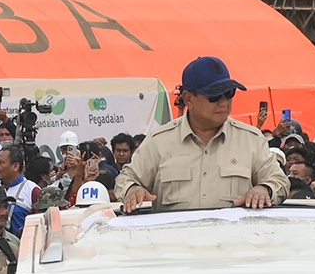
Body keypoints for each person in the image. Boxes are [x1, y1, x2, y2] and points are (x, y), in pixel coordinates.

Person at [112, 56, 291, 212]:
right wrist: (132, 189)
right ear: (189, 99)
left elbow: (280, 181)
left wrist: (265, 189)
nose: (223, 102)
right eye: (214, 96)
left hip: (235, 247)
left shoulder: (250, 140)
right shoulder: (160, 141)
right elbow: (126, 178)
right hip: (174, 248)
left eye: (229, 93)